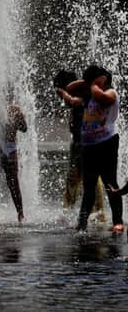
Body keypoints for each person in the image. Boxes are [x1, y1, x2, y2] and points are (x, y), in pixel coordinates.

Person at [63, 65, 123, 232]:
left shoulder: (110, 92)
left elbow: (101, 96)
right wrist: (88, 81)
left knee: (110, 182)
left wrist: (94, 83)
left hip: (107, 143)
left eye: (95, 80)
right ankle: (82, 224)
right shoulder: (88, 93)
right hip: (89, 146)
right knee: (89, 186)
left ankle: (117, 221)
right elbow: (70, 88)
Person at [54, 70, 106, 222]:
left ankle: (98, 212)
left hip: (86, 143)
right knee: (75, 177)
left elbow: (71, 101)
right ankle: (70, 210)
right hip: (79, 142)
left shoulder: (84, 94)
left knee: (89, 178)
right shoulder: (84, 93)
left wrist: (62, 92)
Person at [0, 98, 26, 223]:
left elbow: (24, 128)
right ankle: (19, 215)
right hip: (5, 148)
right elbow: (24, 128)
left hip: (0, 148)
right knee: (11, 182)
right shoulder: (13, 109)